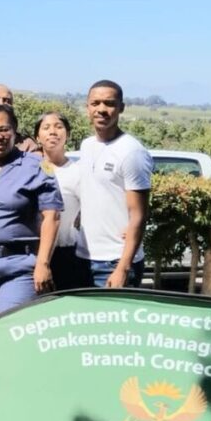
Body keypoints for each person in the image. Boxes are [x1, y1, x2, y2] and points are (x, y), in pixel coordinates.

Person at [0, 103, 61, 316]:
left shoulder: (37, 166)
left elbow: (52, 216)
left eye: (4, 129)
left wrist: (43, 264)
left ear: (15, 131)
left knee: (7, 330)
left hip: (20, 266)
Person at [76, 79, 153, 288]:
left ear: (121, 108)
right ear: (87, 107)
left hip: (113, 262)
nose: (101, 109)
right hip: (83, 256)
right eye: (95, 103)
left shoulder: (131, 152)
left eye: (109, 103)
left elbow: (139, 214)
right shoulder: (87, 146)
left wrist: (123, 267)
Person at [34, 111, 91, 290]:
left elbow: (91, 209)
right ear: (37, 137)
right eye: (46, 128)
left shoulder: (78, 172)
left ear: (67, 135)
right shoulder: (30, 170)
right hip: (32, 252)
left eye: (59, 127)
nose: (53, 132)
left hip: (67, 253)